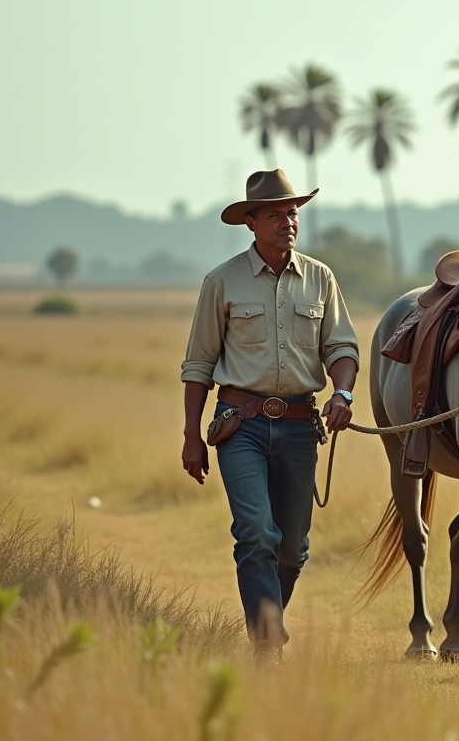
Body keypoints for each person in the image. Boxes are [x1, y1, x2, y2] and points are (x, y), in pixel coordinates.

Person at [180, 169, 358, 659]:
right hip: (241, 426)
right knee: (257, 532)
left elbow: (342, 346)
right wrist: (192, 435)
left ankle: (267, 624)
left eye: (293, 212)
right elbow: (198, 365)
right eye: (276, 214)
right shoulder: (221, 282)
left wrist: (342, 394)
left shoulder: (321, 278)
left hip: (303, 427)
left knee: (292, 548)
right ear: (251, 223)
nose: (288, 221)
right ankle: (267, 644)